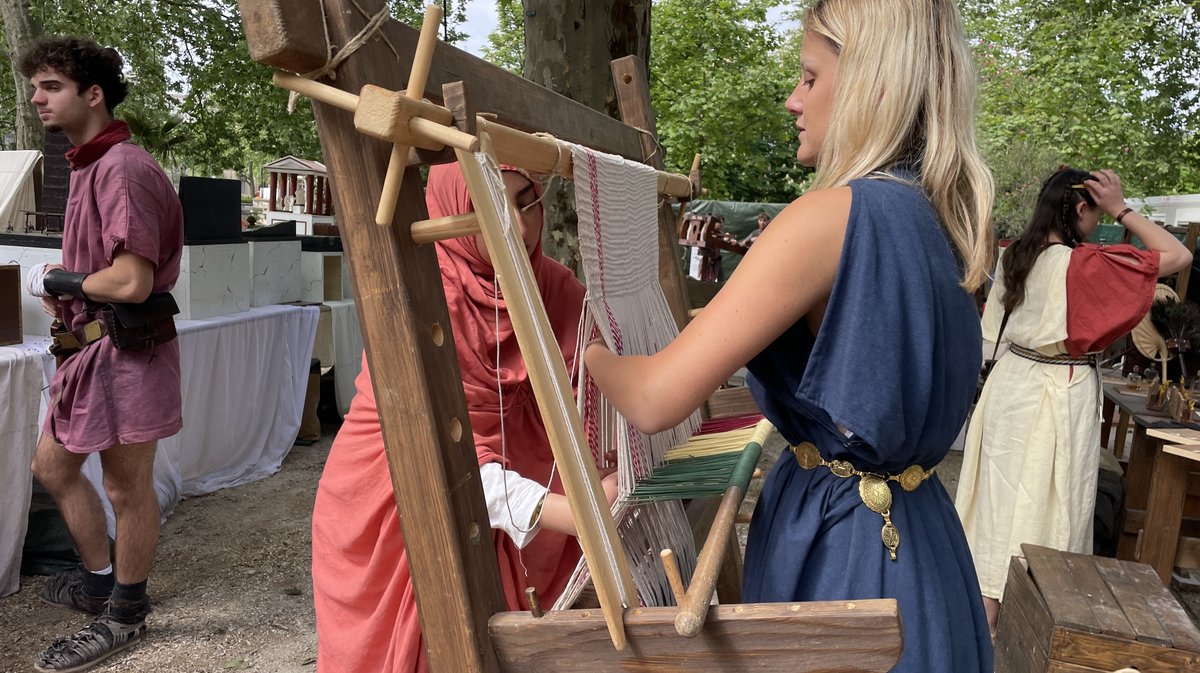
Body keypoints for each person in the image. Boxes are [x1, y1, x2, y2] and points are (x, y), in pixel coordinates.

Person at [584, 0, 996, 669]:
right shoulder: (948, 226)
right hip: (922, 548)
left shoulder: (825, 220)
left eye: (809, 77)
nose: (790, 100)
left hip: (846, 562)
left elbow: (656, 395)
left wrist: (588, 345)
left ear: (873, 84)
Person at [311, 162, 619, 673]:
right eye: (487, 208)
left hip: (514, 509)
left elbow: (600, 389)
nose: (519, 229)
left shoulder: (552, 287)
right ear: (451, 212)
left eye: (526, 201)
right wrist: (581, 514)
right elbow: (440, 457)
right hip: (401, 511)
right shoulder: (424, 298)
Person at [955, 167, 1191, 634]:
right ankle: (1023, 624)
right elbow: (1178, 255)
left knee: (997, 505)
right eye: (1094, 211)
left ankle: (982, 620)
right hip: (1057, 390)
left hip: (1011, 385)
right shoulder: (1086, 264)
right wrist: (1120, 208)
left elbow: (991, 338)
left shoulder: (1012, 257)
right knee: (1044, 507)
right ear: (1082, 208)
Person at [20, 37, 184, 672]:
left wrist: (57, 281)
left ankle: (125, 613)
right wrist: (67, 279)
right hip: (91, 351)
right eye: (36, 86)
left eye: (51, 86)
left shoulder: (121, 167)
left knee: (124, 486)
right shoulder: (91, 164)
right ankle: (97, 582)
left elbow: (132, 282)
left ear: (93, 95)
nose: (37, 97)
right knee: (54, 468)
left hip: (127, 353)